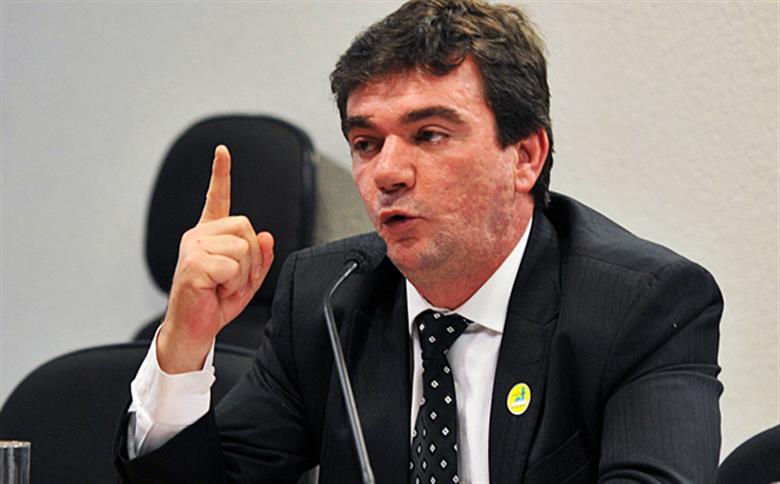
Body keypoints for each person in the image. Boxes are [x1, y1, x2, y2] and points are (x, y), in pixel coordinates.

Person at [115, 0, 723, 482]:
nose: (386, 173)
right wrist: (184, 344)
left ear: (525, 157)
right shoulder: (326, 299)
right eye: (365, 144)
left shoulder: (640, 307)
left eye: (429, 134)